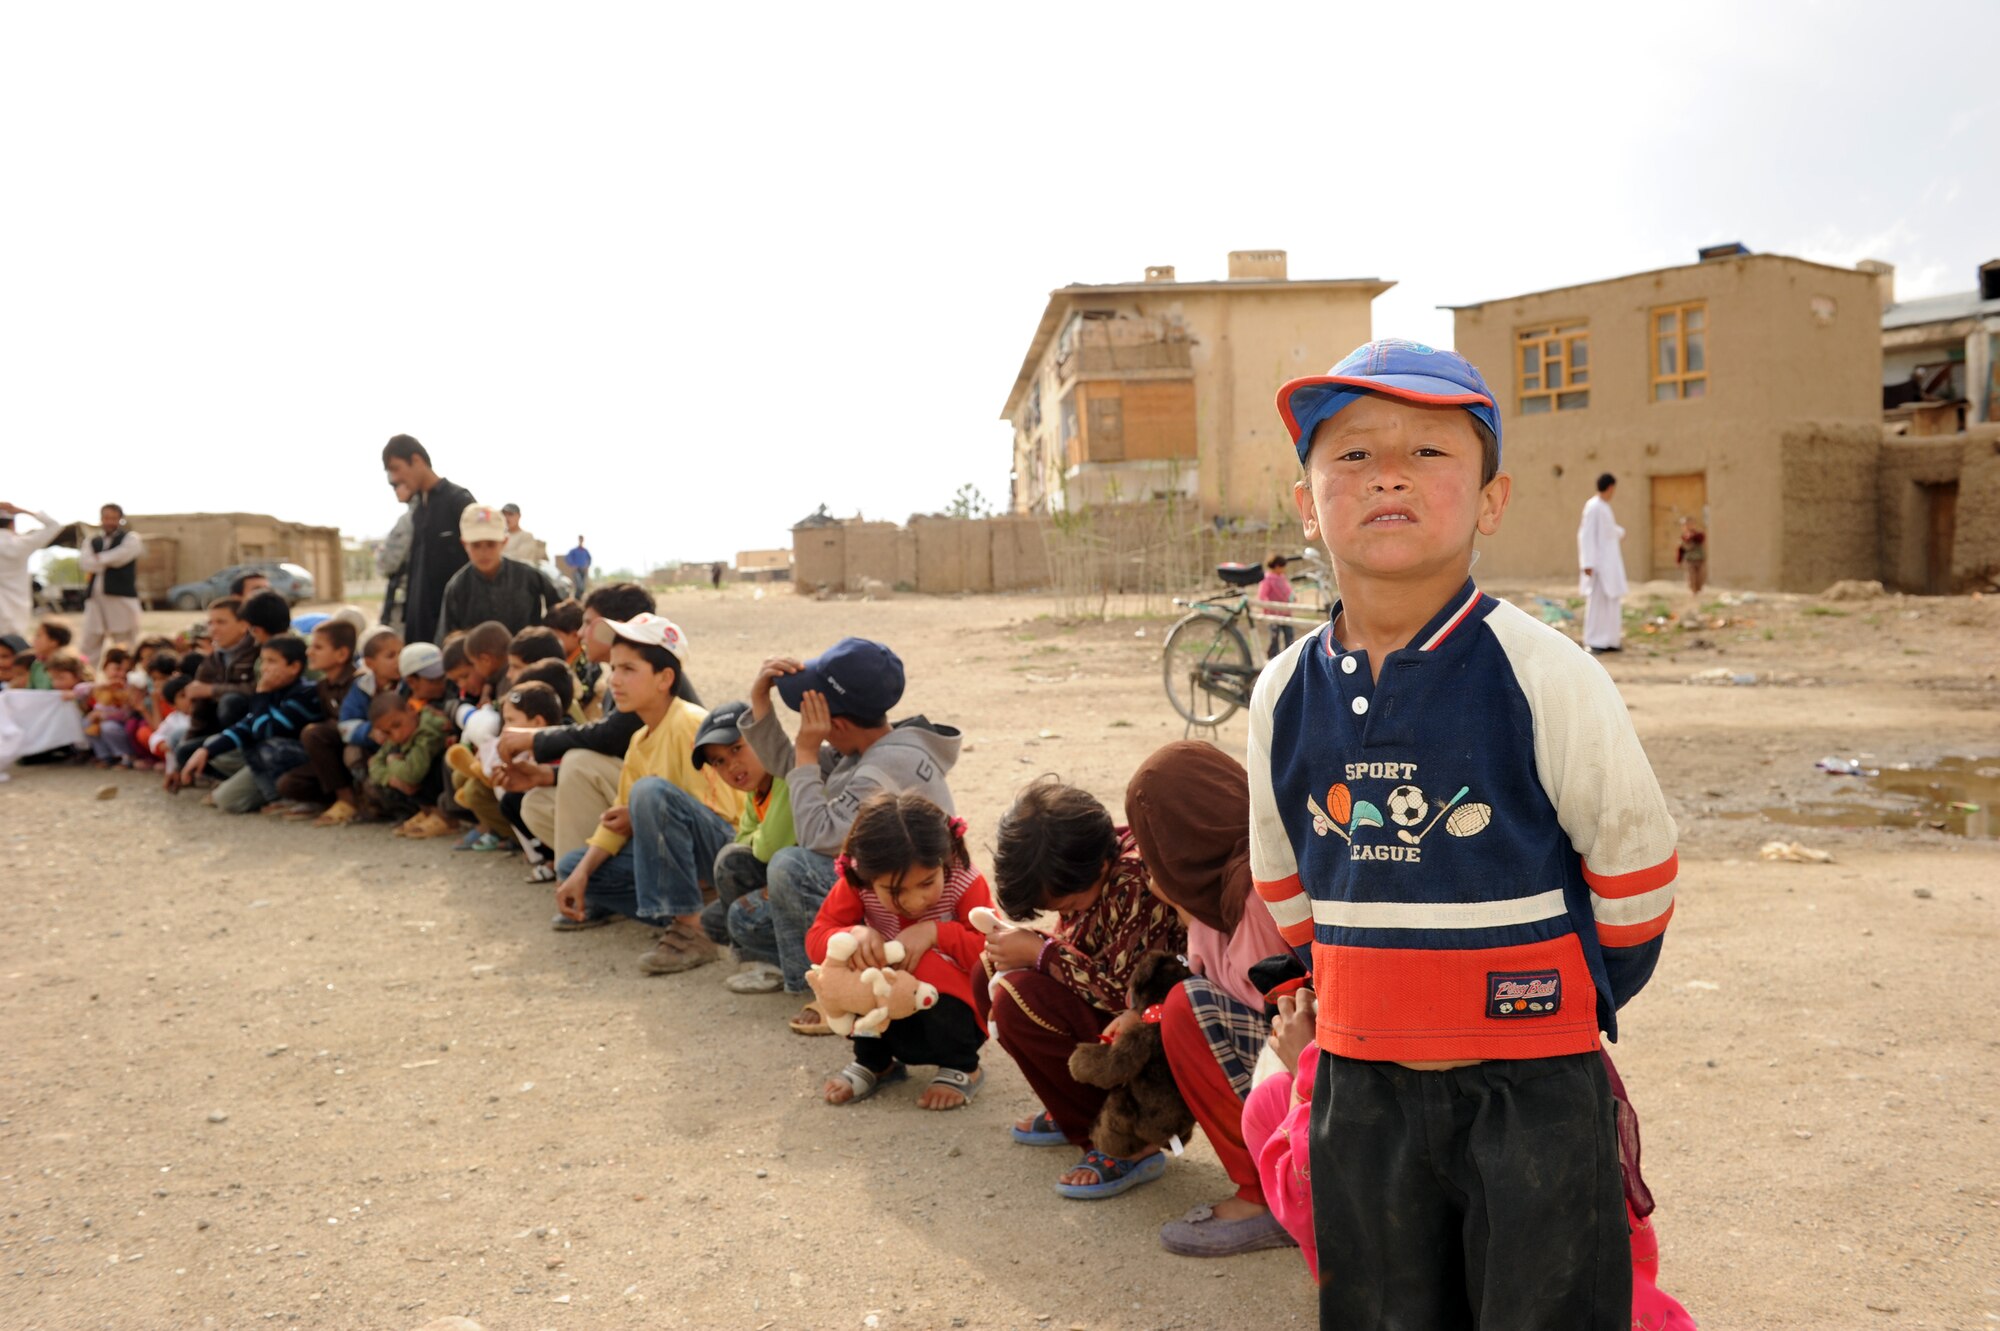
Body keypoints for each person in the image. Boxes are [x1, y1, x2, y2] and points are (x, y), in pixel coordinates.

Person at [1260, 339, 1678, 1328]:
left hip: (1533, 1083)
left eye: (1428, 451)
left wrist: (1552, 999)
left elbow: (1633, 873)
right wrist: (1368, 1000)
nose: (1387, 472)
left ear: (1490, 500)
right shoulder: (1280, 693)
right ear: (1304, 500)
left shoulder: (1542, 670)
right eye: (1351, 454)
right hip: (1358, 1082)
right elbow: (1284, 889)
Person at [1124, 741, 1297, 1258]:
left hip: (1303, 1057)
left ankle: (1268, 1194)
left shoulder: (1254, 889)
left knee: (1187, 1009)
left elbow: (1255, 991)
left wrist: (1181, 906)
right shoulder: (1258, 851)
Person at [737, 637, 961, 1035]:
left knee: (792, 866)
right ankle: (834, 964)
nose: (812, 732)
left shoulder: (888, 765)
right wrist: (761, 704)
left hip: (910, 905)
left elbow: (817, 837)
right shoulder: (869, 746)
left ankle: (835, 990)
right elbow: (793, 767)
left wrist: (807, 751)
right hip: (878, 893)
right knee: (738, 914)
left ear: (836, 724)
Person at [986, 778, 1187, 1199]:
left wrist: (1042, 953)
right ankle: (1071, 1109)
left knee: (1015, 999)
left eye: (1069, 908)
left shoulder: (1134, 881)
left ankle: (1126, 1142)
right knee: (987, 971)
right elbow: (1085, 951)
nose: (1063, 916)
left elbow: (1127, 996)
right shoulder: (1092, 867)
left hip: (1150, 1037)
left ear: (1097, 867)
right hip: (1113, 1015)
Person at [550, 614, 743, 968]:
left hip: (727, 851)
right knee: (575, 866)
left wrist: (639, 816)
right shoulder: (640, 740)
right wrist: (578, 876)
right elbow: (616, 819)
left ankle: (691, 929)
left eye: (628, 669)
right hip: (686, 857)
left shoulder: (690, 723)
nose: (614, 681)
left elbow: (728, 816)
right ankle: (702, 910)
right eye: (613, 669)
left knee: (650, 793)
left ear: (664, 678)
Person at [809, 792, 994, 1110]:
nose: (914, 901)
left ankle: (962, 1066)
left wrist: (937, 932)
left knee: (928, 964)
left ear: (945, 857)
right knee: (857, 969)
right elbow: (817, 940)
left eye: (926, 883)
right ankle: (875, 1062)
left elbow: (991, 949)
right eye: (895, 891)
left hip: (953, 1016)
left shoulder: (963, 880)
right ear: (867, 876)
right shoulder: (857, 885)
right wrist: (852, 934)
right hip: (886, 1018)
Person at [497, 583, 655, 860]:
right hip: (636, 787)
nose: (580, 633)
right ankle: (599, 877)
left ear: (613, 626)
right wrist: (546, 775)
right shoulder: (614, 680)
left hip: (661, 795)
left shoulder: (650, 672)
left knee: (579, 761)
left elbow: (609, 737)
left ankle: (580, 883)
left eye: (587, 623)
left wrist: (534, 738)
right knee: (536, 803)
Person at [690, 700, 795, 994]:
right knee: (714, 920)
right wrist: (759, 838)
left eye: (736, 749)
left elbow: (767, 847)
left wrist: (758, 838)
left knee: (732, 863)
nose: (731, 765)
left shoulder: (786, 775)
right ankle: (775, 958)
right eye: (719, 761)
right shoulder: (756, 792)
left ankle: (770, 965)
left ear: (760, 736)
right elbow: (747, 838)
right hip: (781, 881)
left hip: (813, 888)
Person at [179, 636, 324, 813]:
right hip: (267, 759)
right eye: (263, 661)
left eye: (272, 661)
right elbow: (246, 725)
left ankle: (279, 796)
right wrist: (205, 751)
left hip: (291, 760)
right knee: (212, 747)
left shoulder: (306, 693)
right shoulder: (275, 691)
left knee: (227, 800)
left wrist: (261, 693)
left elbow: (263, 731)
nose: (264, 668)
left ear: (294, 667)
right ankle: (254, 786)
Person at [381, 435, 476, 648]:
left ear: (416, 460)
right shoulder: (418, 512)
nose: (396, 478)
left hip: (453, 631)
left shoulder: (457, 500)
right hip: (420, 629)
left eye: (396, 468)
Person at [270, 620, 360, 818]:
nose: (309, 652)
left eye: (318, 647)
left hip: (358, 752)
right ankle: (339, 798)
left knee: (314, 733)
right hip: (334, 757)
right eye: (311, 646)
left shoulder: (358, 682)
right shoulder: (322, 686)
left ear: (342, 654)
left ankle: (347, 800)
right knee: (288, 784)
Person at [436, 506, 569, 640]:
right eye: (476, 545)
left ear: (504, 541)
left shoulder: (529, 577)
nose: (484, 552)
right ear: (465, 544)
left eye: (491, 544)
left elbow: (561, 613)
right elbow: (447, 639)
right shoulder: (457, 588)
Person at [364, 690, 453, 834]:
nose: (396, 735)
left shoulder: (427, 731)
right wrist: (392, 779)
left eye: (397, 725)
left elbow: (413, 774)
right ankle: (427, 812)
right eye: (387, 732)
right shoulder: (396, 737)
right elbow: (374, 765)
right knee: (401, 772)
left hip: (445, 785)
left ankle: (445, 817)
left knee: (425, 767)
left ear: (411, 709)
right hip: (411, 774)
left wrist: (392, 763)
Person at [77, 503, 144, 663]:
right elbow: (85, 563)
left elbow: (121, 557)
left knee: (124, 641)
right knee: (90, 640)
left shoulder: (130, 539)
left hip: (120, 597)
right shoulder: (93, 540)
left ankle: (125, 676)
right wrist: (106, 560)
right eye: (106, 518)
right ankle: (87, 678)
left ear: (120, 520)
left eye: (113, 518)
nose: (110, 522)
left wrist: (99, 559)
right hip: (95, 598)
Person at [1578, 471, 1629, 653]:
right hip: (1599, 565)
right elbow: (1586, 535)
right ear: (1610, 488)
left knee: (1611, 603)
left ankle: (1610, 641)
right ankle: (1594, 641)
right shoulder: (1593, 507)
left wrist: (1619, 533)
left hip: (1610, 564)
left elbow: (1607, 532)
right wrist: (1588, 563)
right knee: (1597, 604)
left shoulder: (1604, 507)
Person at [0, 503, 63, 640]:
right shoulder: (22, 544)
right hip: (17, 607)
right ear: (13, 524)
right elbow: (55, 526)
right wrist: (22, 510)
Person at [1256, 554, 1296, 661]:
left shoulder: (1281, 578)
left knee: (1289, 634)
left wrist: (1292, 597)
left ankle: (1289, 655)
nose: (1284, 569)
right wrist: (1267, 606)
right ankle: (1273, 657)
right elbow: (1262, 595)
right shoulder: (1267, 579)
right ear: (1278, 566)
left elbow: (1288, 590)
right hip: (1273, 613)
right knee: (1274, 636)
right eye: (1283, 567)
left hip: (1285, 612)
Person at [1677, 516, 1708, 594]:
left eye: (1689, 524)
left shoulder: (1698, 535)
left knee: (1700, 577)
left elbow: (1700, 539)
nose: (1688, 526)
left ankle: (1698, 590)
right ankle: (1693, 592)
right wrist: (1679, 561)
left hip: (1699, 559)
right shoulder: (1683, 537)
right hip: (1689, 560)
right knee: (1691, 577)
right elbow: (1681, 550)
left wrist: (1691, 536)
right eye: (1686, 525)